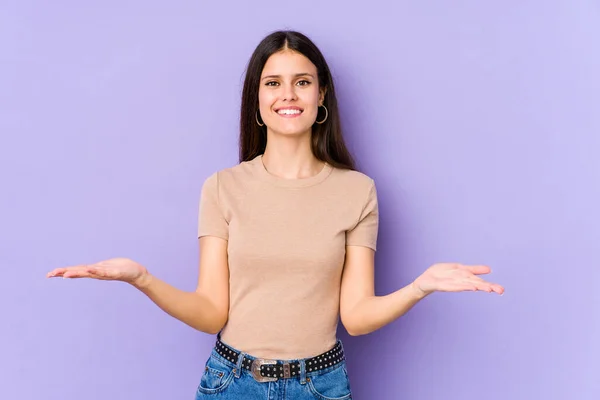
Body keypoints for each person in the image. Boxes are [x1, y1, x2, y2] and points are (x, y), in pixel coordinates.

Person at [47, 30, 504, 399]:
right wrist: (141, 278)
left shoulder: (357, 191)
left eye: (302, 81)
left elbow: (358, 317)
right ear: (258, 99)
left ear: (321, 95)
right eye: (273, 82)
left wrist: (419, 286)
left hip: (320, 385)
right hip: (232, 381)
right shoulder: (223, 187)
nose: (289, 94)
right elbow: (211, 312)